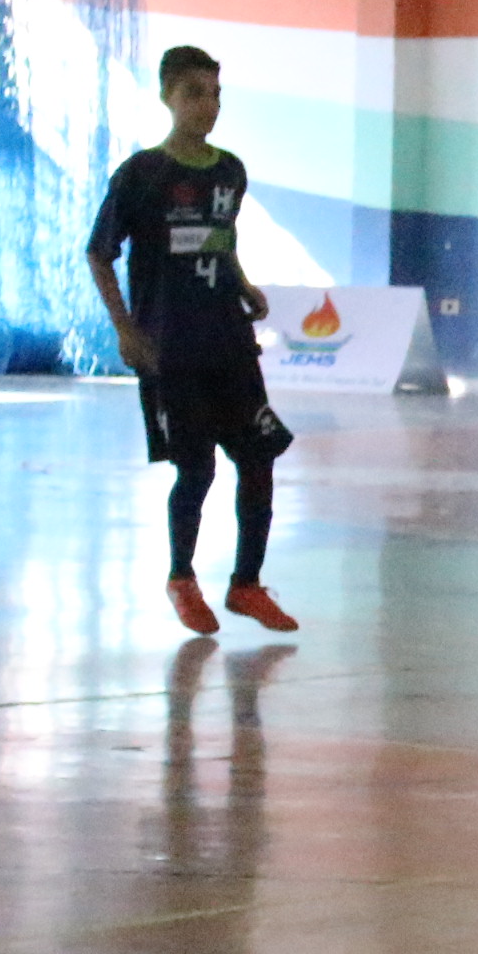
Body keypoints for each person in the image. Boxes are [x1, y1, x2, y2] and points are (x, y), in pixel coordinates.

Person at [87, 45, 298, 636]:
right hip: (170, 347)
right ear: (166, 98)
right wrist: (126, 329)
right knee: (197, 467)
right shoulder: (141, 175)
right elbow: (99, 254)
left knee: (259, 458)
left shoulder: (229, 171)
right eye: (194, 94)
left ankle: (247, 585)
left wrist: (242, 282)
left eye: (216, 95)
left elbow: (219, 240)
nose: (208, 107)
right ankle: (182, 577)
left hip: (228, 342)